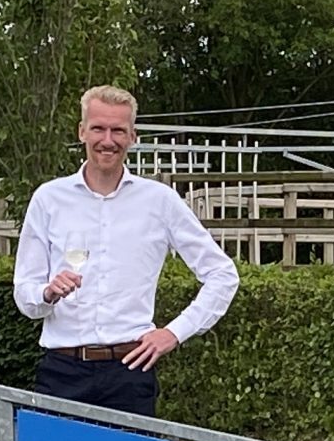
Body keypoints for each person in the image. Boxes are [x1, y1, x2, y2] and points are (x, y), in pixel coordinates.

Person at [13, 85, 240, 418]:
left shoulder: (159, 201)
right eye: (98, 128)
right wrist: (46, 293)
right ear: (82, 132)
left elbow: (223, 275)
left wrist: (174, 333)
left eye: (118, 130)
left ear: (133, 135)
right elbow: (25, 296)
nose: (108, 139)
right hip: (61, 372)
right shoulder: (48, 199)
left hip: (130, 375)